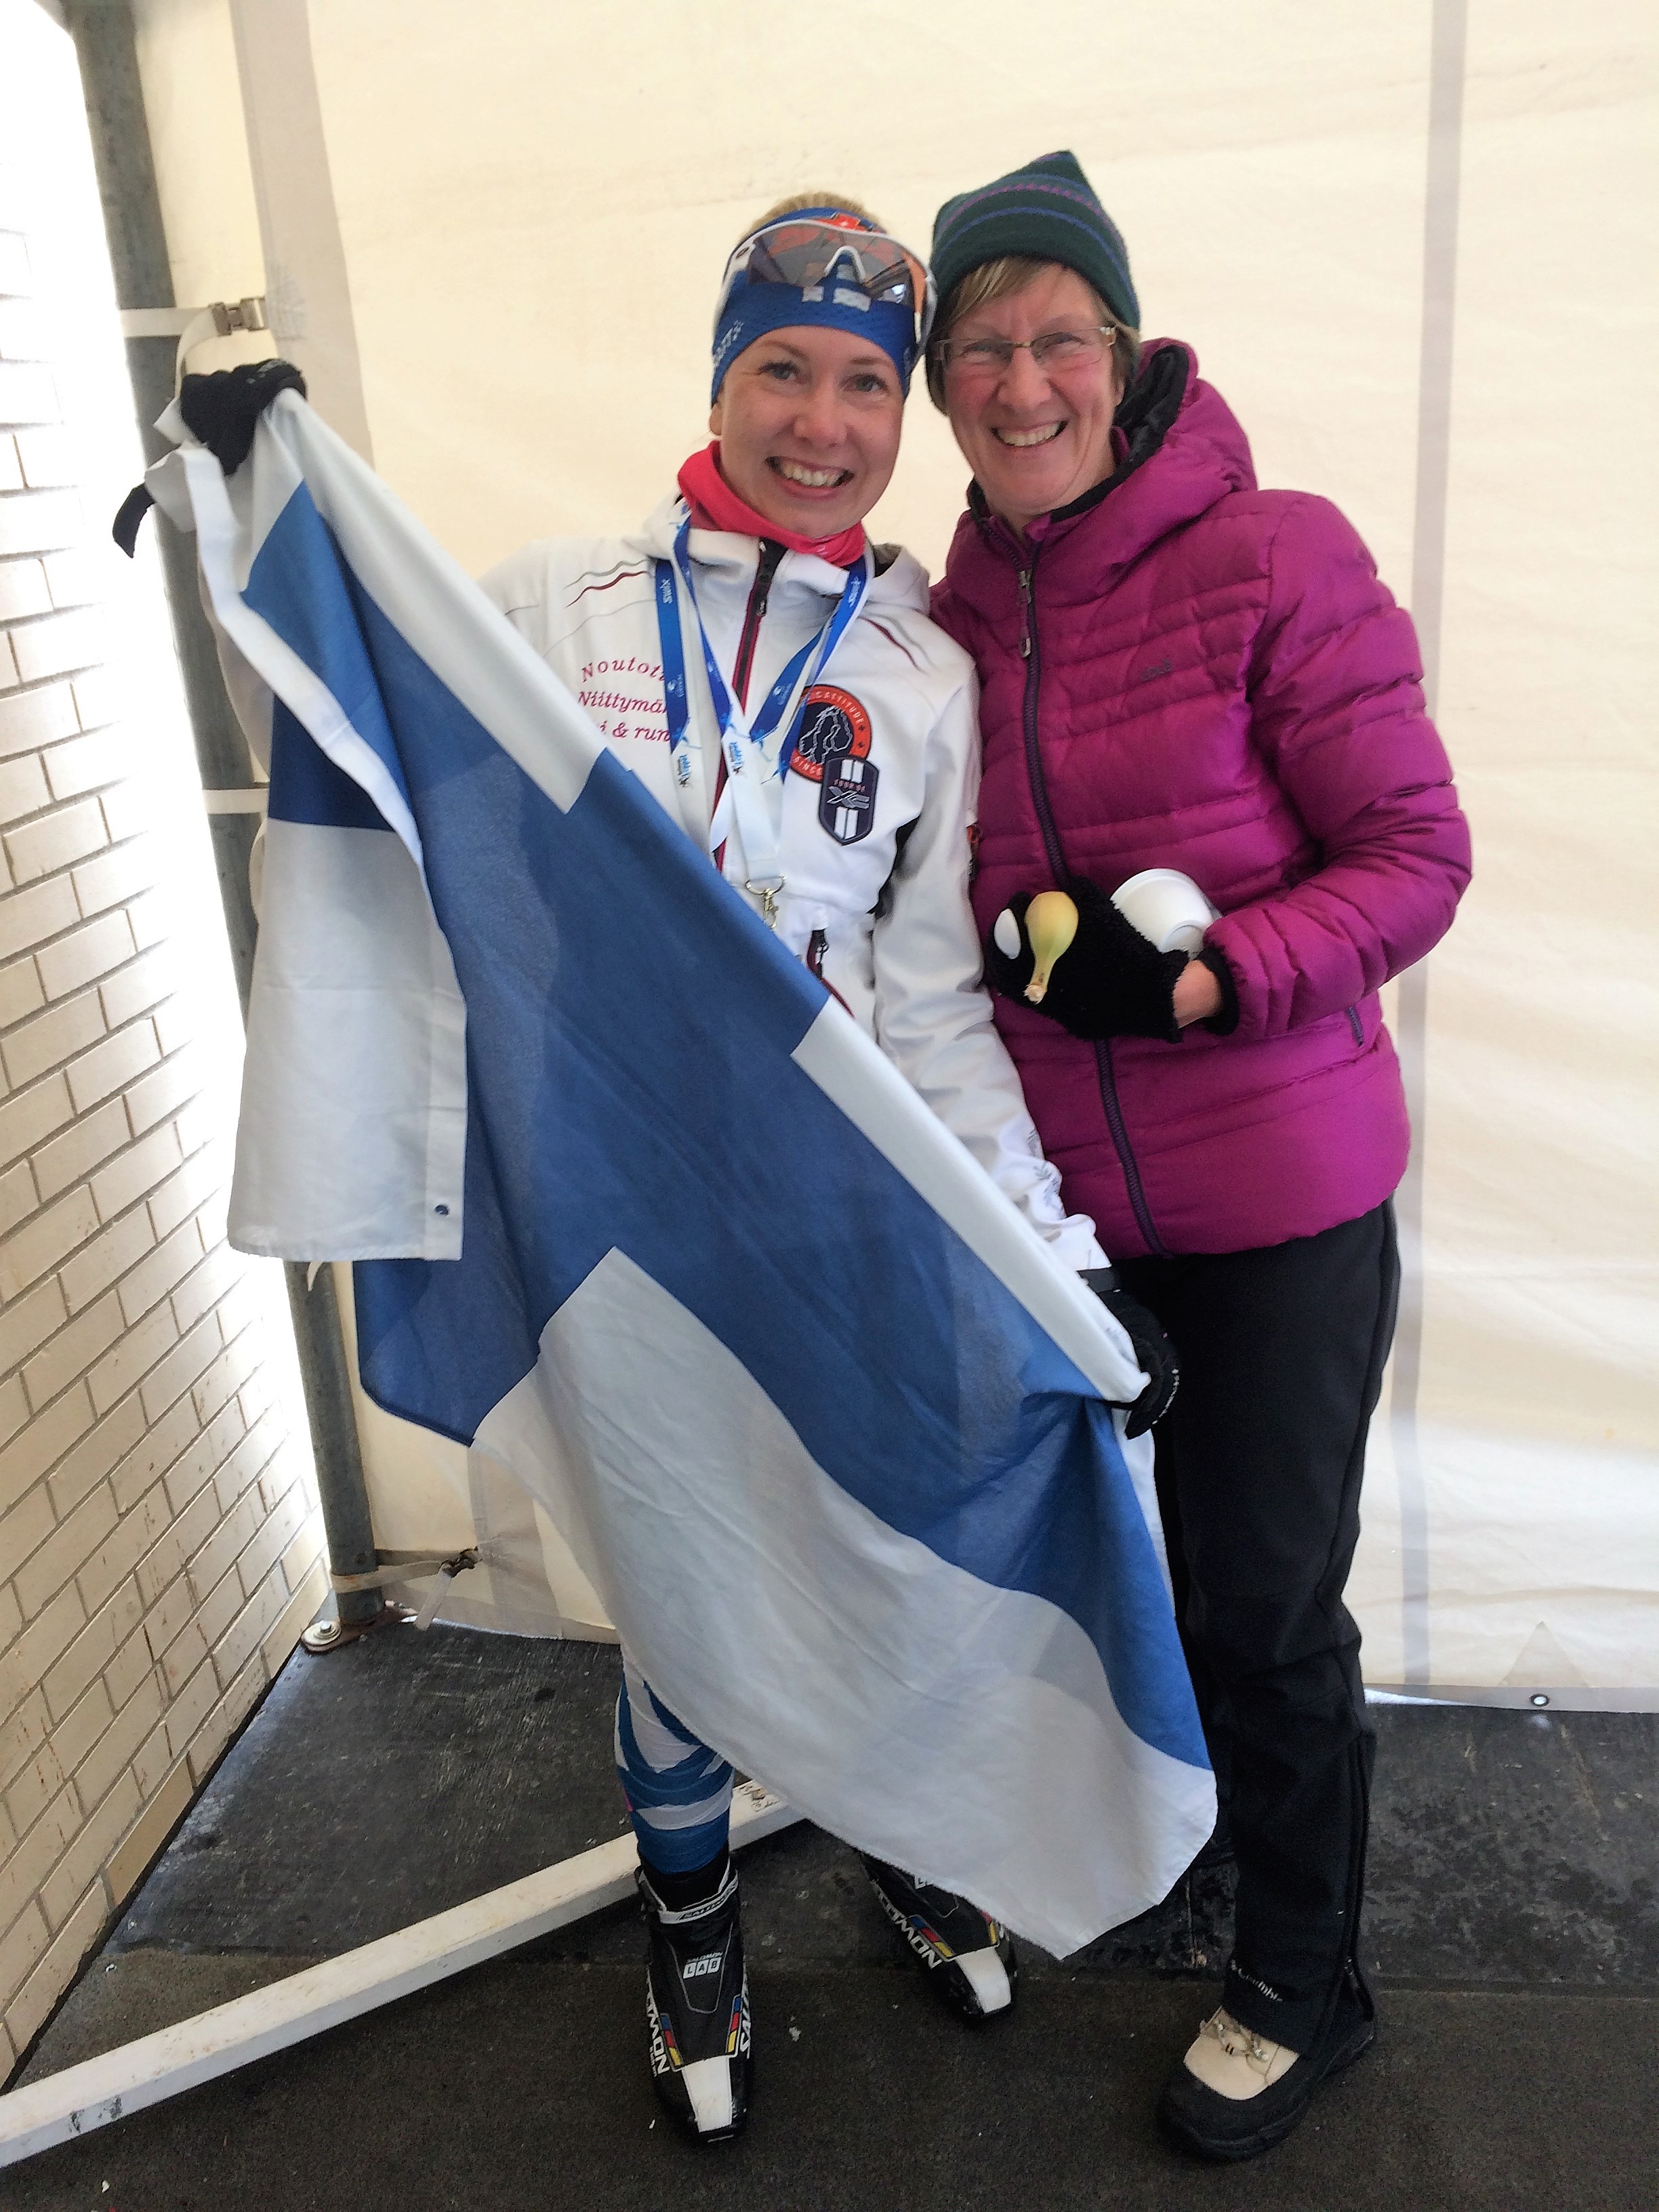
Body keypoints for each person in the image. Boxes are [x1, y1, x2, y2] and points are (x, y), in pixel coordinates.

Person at [479, 193, 1178, 2145]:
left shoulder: (922, 671)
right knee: (685, 1584)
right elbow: (368, 744)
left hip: (834, 1215)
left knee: (880, 1548)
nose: (822, 422)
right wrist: (244, 510)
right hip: (622, 1212)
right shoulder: (550, 605)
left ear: (902, 414)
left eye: (866, 385)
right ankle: (691, 1918)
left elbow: (935, 1012)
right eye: (781, 369)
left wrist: (1054, 1259)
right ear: (720, 379)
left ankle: (898, 1825)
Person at [924, 151, 1472, 2163]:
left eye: (1058, 335)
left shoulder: (1276, 555)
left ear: (1129, 350)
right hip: (1059, 1219)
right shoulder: (942, 620)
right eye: (978, 349)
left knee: (1260, 1605)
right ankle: (1194, 1855)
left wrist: (1206, 977)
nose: (1023, 381)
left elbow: (1416, 858)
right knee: (1106, 1590)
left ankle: (1308, 1982)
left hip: (1278, 1207)